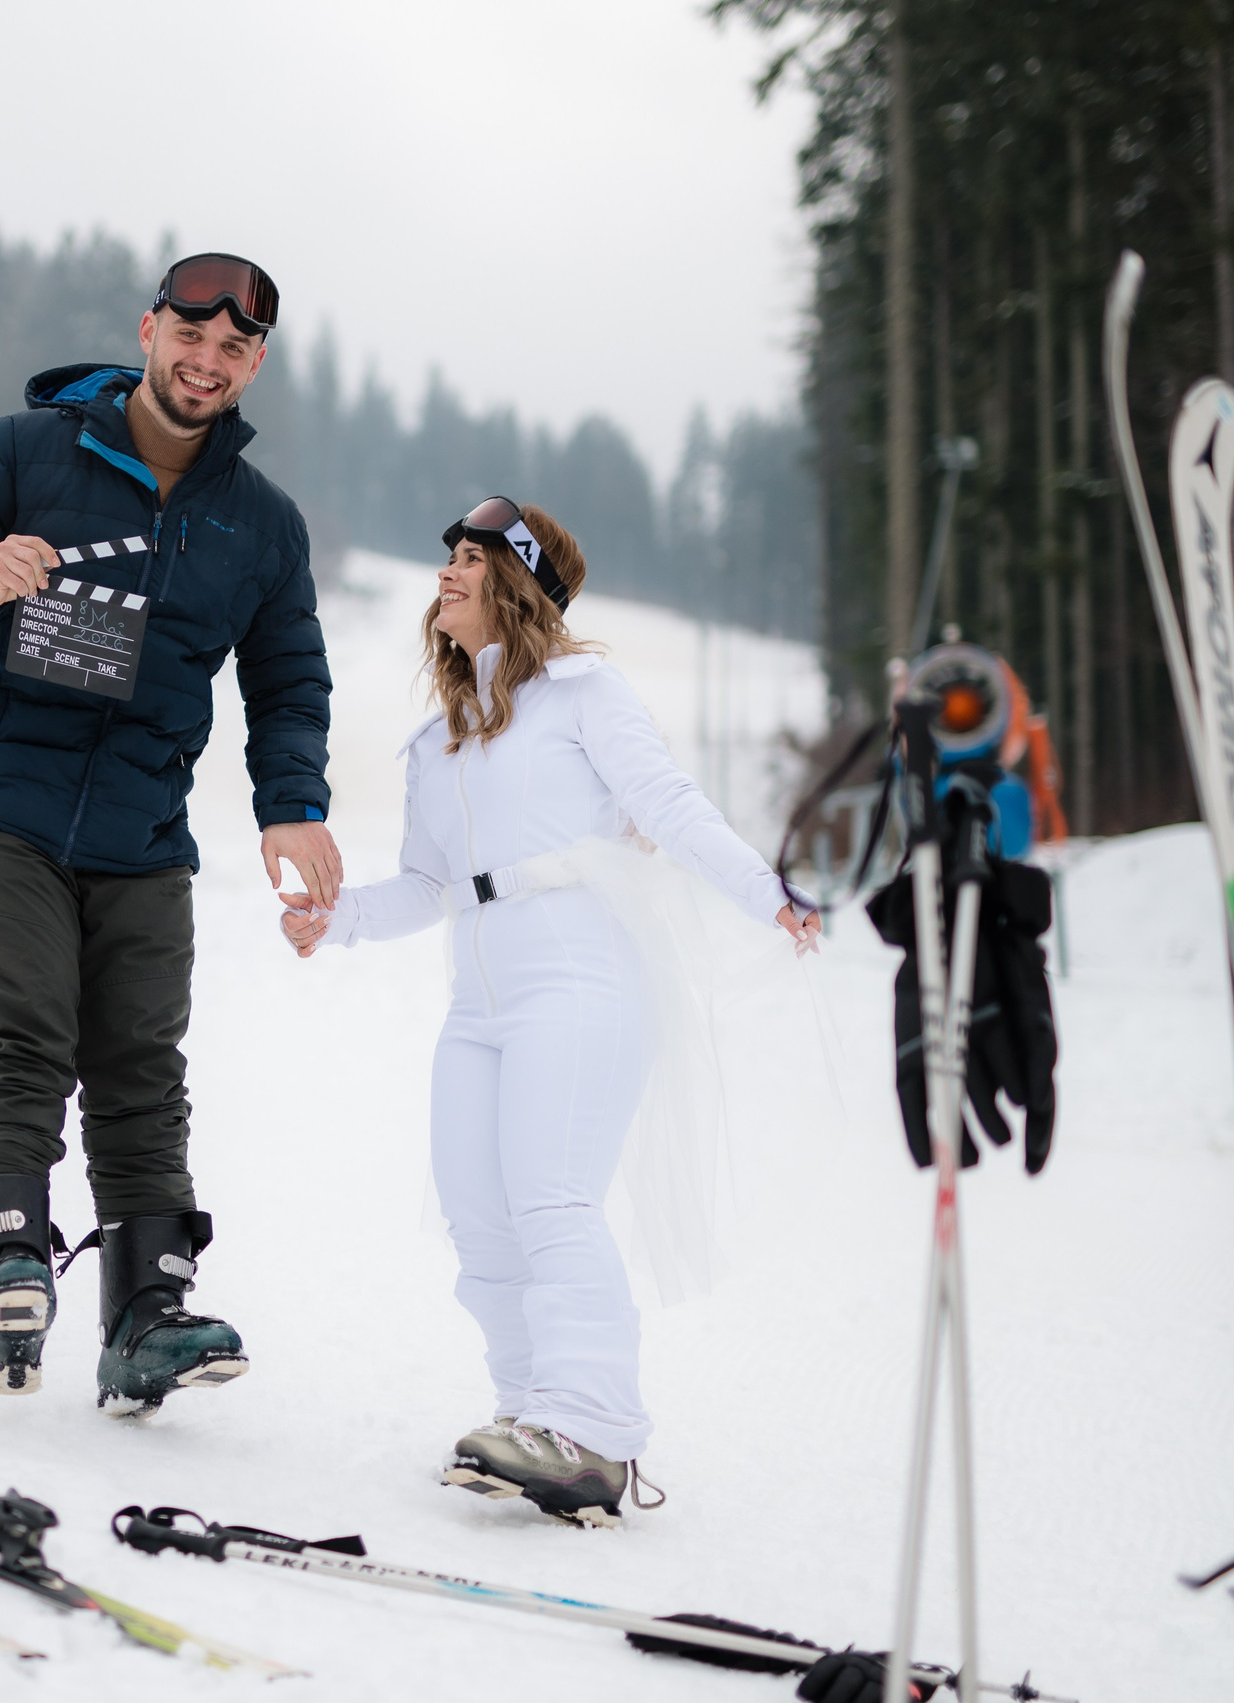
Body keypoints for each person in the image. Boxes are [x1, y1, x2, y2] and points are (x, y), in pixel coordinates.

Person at [279, 498, 819, 1525]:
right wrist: (333, 918)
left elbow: (668, 807)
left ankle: (596, 1429)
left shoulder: (583, 693)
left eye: (470, 558)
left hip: (580, 972)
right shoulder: (436, 741)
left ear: (518, 583)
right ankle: (531, 1415)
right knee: (480, 1217)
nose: (446, 571)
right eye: (447, 554)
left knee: (549, 1195)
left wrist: (770, 893)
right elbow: (422, 885)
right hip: (478, 995)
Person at [0, 253, 342, 1415]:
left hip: (143, 820)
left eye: (234, 348)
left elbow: (288, 677)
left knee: (141, 1053)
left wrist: (292, 801)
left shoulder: (260, 524)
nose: (207, 360)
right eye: (191, 334)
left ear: (254, 364)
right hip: (1, 792)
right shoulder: (31, 450)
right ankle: (9, 1251)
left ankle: (146, 1312)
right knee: (26, 1015)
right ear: (148, 329)